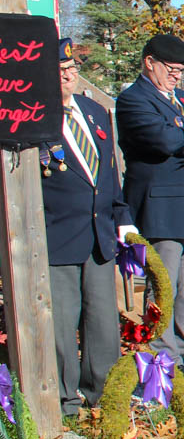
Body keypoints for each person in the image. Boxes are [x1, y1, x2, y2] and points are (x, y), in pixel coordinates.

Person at [116, 34, 184, 383]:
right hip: (162, 208)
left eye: (181, 70)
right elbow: (163, 139)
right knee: (165, 286)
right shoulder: (134, 99)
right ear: (149, 62)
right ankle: (165, 359)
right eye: (171, 69)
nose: (176, 76)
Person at [43, 39, 135, 414]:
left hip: (100, 234)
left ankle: (104, 393)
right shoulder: (35, 117)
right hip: (57, 234)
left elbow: (109, 173)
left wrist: (123, 219)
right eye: (60, 70)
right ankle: (64, 400)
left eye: (72, 69)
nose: (68, 76)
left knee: (102, 321)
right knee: (62, 325)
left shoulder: (95, 111)